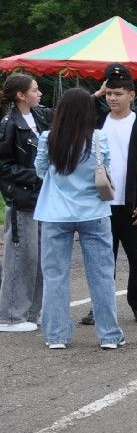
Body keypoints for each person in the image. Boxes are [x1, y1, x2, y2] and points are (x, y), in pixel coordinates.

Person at [32, 87, 124, 349]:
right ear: (88, 112)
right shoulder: (99, 138)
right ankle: (109, 335)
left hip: (54, 212)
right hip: (94, 212)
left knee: (55, 276)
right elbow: (105, 169)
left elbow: (40, 171)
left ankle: (56, 335)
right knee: (102, 275)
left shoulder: (48, 138)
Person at [79, 63, 137, 327]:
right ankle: (99, 305)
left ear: (131, 95)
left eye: (118, 93)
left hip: (132, 205)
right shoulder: (97, 122)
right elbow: (71, 115)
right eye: (109, 93)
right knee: (102, 260)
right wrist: (94, 96)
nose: (113, 98)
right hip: (101, 205)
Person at [0, 74, 52, 332]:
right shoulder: (8, 124)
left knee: (41, 257)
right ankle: (10, 316)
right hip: (21, 199)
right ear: (21, 95)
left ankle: (34, 311)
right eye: (35, 89)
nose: (40, 93)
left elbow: (69, 112)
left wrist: (96, 96)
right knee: (20, 257)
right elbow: (3, 166)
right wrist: (35, 175)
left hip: (43, 198)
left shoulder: (40, 117)